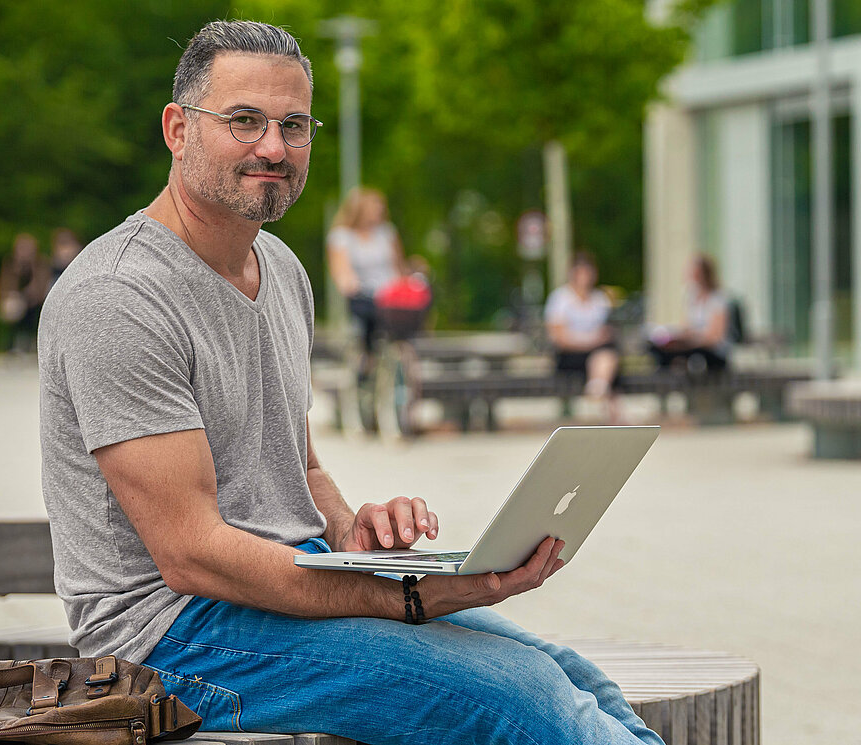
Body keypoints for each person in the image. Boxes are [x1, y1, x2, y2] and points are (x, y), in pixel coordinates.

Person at [37, 20, 662, 745]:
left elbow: (299, 466)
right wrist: (406, 598)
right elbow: (192, 552)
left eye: (293, 125)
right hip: (170, 639)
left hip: (286, 578)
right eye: (244, 121)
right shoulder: (119, 296)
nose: (273, 147)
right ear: (179, 128)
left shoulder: (282, 271)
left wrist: (351, 529)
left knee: (575, 676)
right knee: (521, 697)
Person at [327, 186, 406, 377]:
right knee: (367, 330)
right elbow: (340, 269)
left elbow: (398, 266)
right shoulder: (342, 237)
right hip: (364, 294)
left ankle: (402, 365)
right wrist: (348, 283)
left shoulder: (387, 233)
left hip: (390, 293)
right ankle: (366, 365)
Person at [545, 251, 622, 410]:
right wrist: (590, 341)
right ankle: (602, 398)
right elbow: (559, 338)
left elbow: (605, 331)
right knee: (605, 357)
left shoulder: (599, 299)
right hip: (569, 355)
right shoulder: (560, 298)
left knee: (607, 355)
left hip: (597, 353)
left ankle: (597, 390)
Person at [648, 255, 731, 374]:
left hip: (712, 351)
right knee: (657, 350)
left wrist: (691, 339)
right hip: (693, 345)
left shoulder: (718, 299)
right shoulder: (692, 297)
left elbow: (715, 337)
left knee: (690, 357)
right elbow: (686, 326)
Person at [0, 232, 49, 355]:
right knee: (13, 308)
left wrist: (32, 266)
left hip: (35, 300)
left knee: (33, 313)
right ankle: (12, 345)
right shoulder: (11, 264)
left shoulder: (40, 263)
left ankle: (30, 343)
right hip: (17, 300)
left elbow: (41, 284)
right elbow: (5, 284)